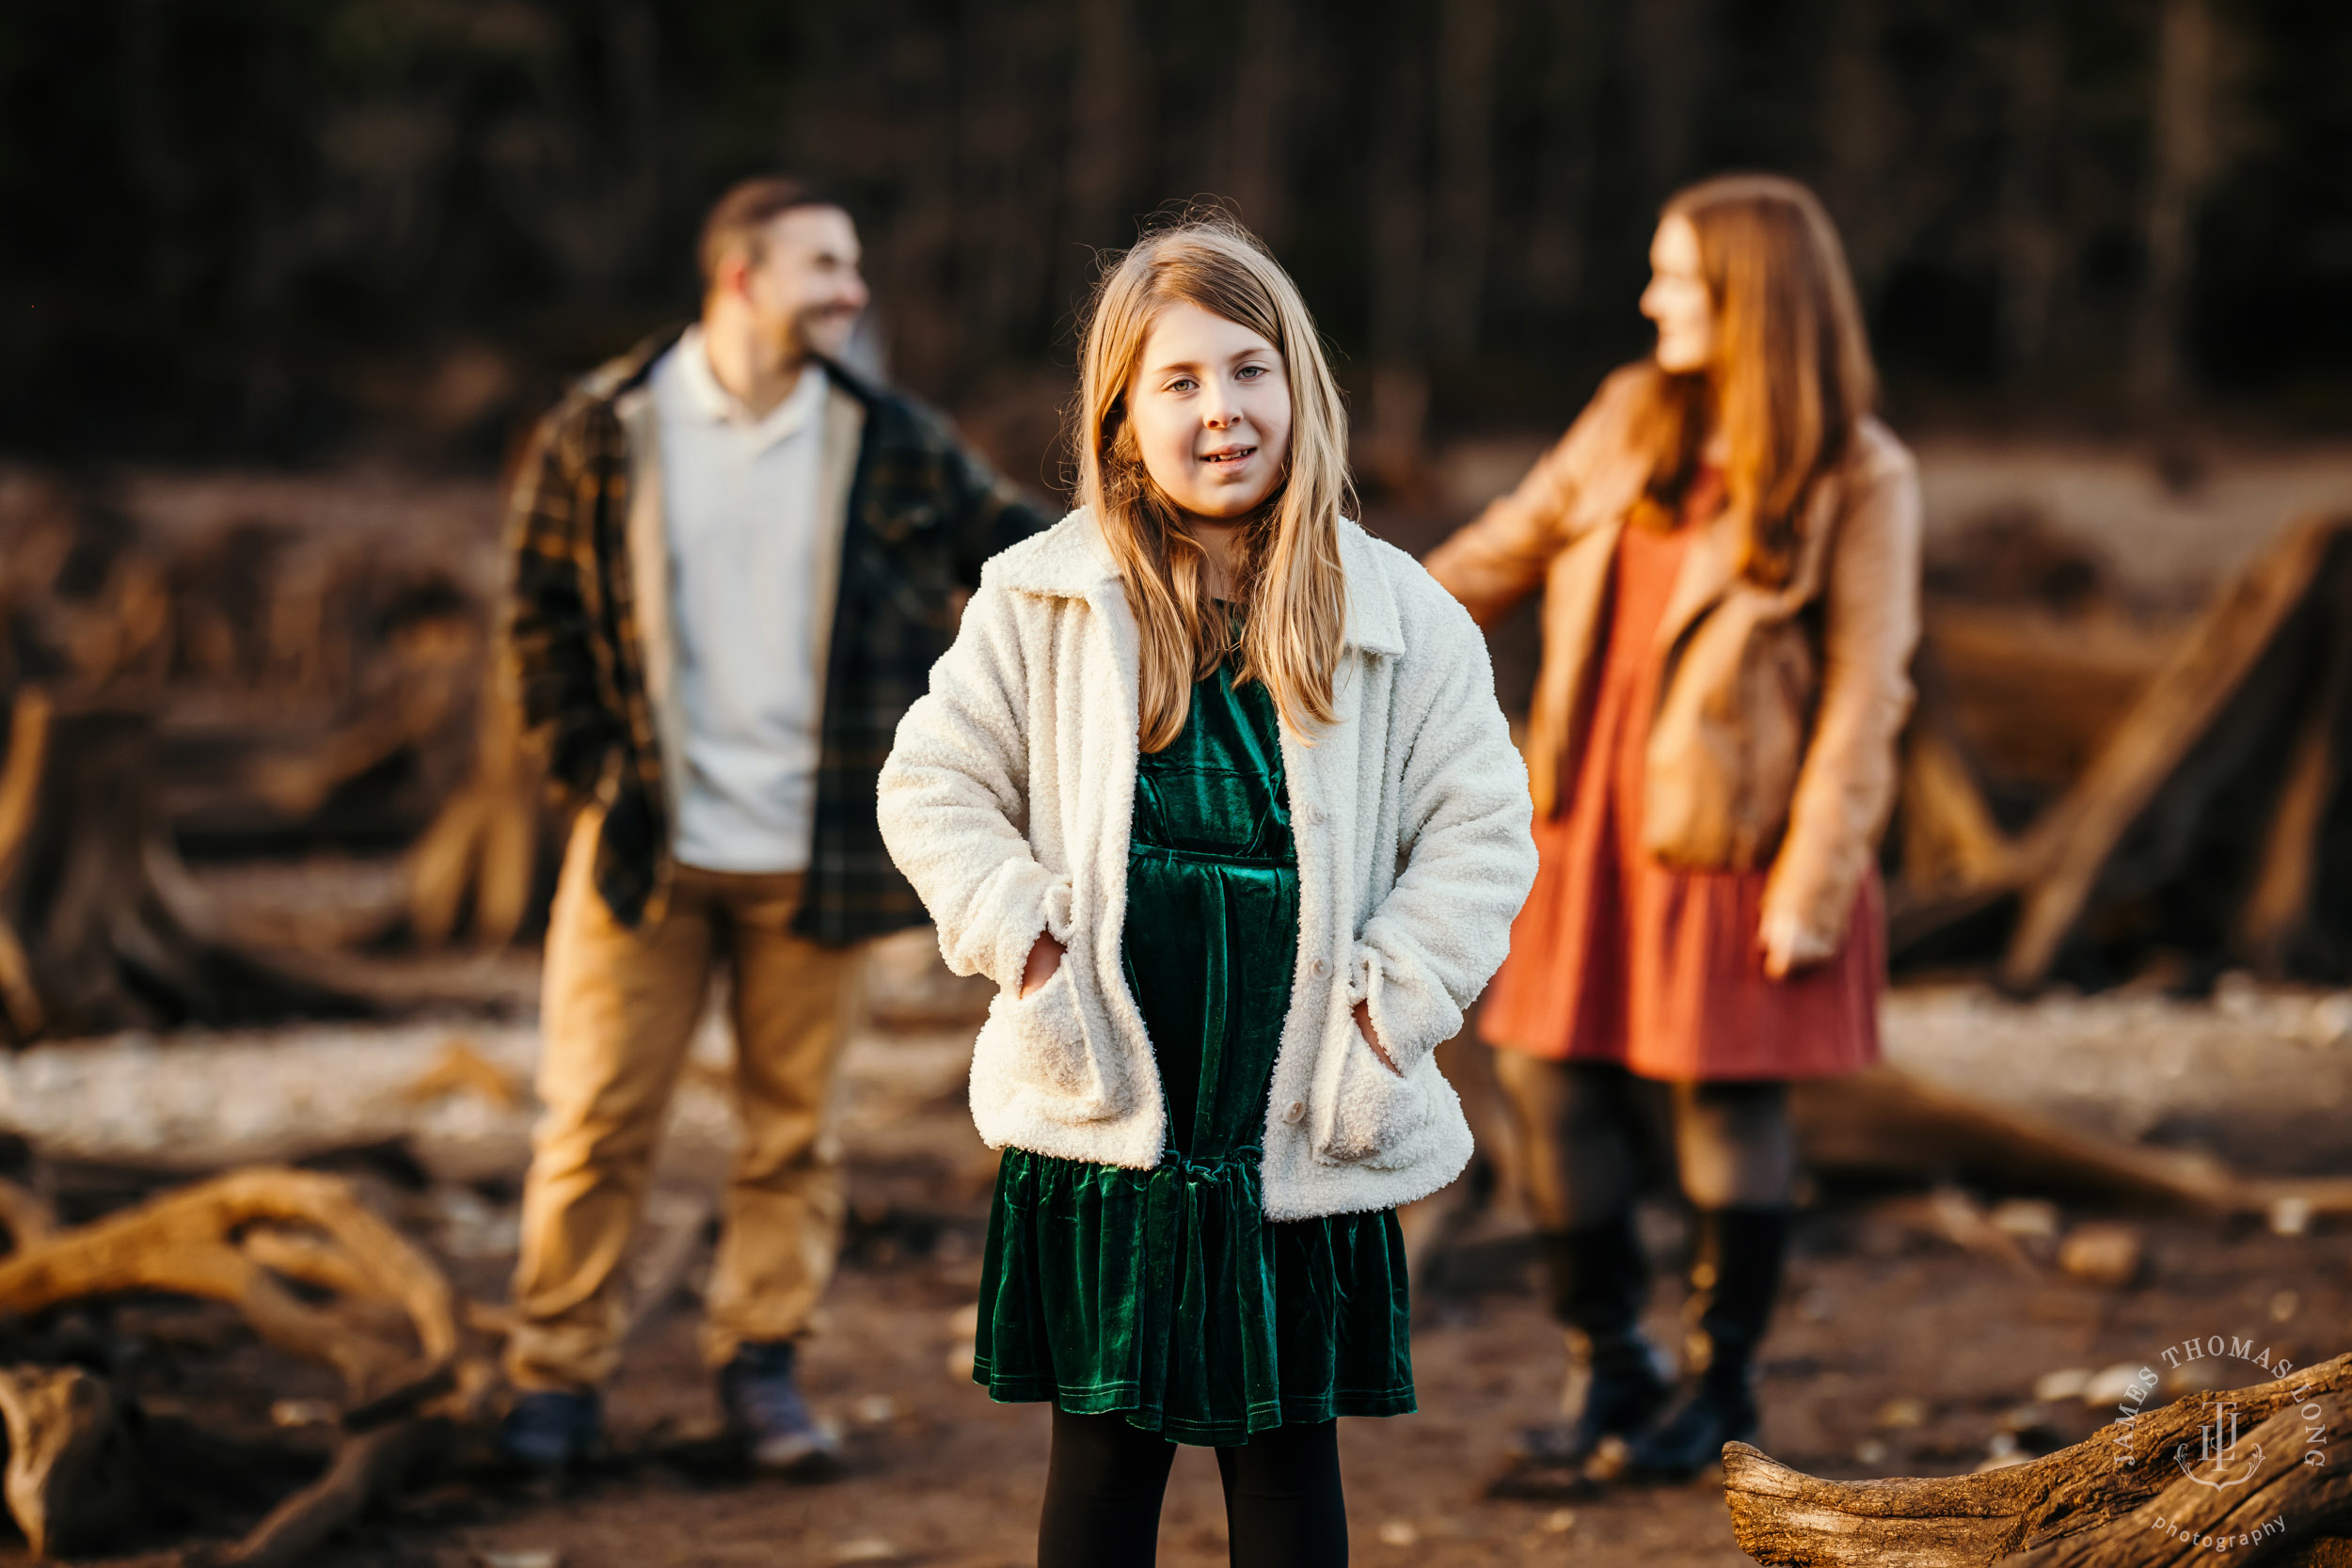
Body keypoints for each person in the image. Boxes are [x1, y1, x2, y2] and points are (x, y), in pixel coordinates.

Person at [877, 217, 1537, 1566]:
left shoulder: (1402, 617)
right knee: (1105, 1458)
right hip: (1116, 1097)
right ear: (1122, 416)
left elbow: (1481, 833)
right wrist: (1031, 950)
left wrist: (1386, 1014)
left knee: (1288, 1455)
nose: (1221, 413)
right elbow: (928, 785)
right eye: (1178, 383)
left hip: (1292, 1105)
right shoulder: (1042, 599)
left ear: (1299, 388)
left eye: (1249, 371)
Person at [499, 175, 1049, 1470]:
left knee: (795, 1135)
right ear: (742, 277)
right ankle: (555, 1384)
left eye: (852, 265)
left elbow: (1021, 553)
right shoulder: (602, 429)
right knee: (592, 1125)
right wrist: (594, 779)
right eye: (827, 265)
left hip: (826, 861)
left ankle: (762, 1370)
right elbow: (535, 626)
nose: (853, 290)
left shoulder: (888, 437)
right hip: (643, 857)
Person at [1424, 173, 1922, 1482]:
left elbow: (1870, 694)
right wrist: (1344, 622)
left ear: (1754, 295)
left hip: (1736, 846)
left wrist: (1813, 879)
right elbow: (1498, 551)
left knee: (1724, 1103)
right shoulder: (1631, 414)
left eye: (1679, 277)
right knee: (1544, 1085)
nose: (1652, 299)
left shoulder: (1858, 473)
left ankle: (1724, 1387)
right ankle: (1611, 1364)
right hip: (1580, 826)